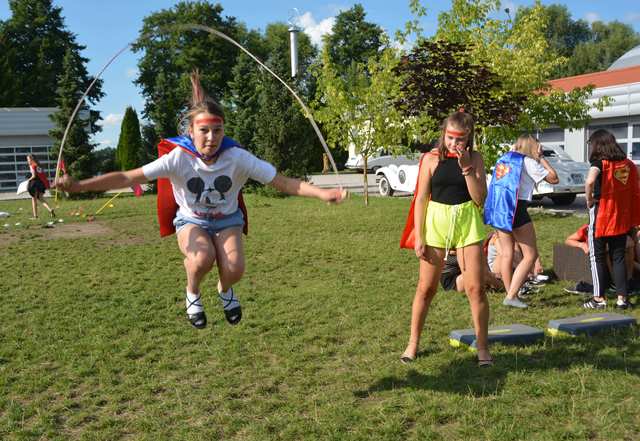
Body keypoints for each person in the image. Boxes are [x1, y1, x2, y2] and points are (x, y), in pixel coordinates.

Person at [56, 71, 347, 329]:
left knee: (235, 269)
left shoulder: (237, 157)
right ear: (191, 131)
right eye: (204, 130)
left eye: (217, 130)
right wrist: (80, 186)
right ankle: (192, 292)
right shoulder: (178, 158)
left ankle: (225, 290)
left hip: (228, 220)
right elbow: (126, 177)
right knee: (201, 258)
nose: (211, 137)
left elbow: (282, 182)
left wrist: (322, 193)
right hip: (191, 220)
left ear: (224, 130)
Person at [399, 110, 492, 366]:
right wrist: (419, 236)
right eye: (450, 137)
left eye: (460, 139)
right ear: (444, 134)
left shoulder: (475, 159)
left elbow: (479, 199)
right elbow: (420, 198)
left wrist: (466, 168)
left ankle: (482, 348)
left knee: (476, 289)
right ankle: (413, 343)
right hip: (436, 224)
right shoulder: (430, 159)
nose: (454, 143)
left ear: (469, 137)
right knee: (426, 288)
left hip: (467, 223)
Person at [484, 135, 558, 308]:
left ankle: (510, 293)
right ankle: (511, 295)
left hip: (500, 209)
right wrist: (541, 158)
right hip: (517, 209)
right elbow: (554, 178)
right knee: (530, 255)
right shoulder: (528, 162)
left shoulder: (503, 159)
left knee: (507, 254)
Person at [583, 129, 640, 310]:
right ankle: (622, 299)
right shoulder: (628, 164)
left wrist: (589, 199)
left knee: (597, 256)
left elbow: (590, 181)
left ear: (597, 145)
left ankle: (598, 299)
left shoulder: (599, 163)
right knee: (618, 257)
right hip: (621, 217)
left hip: (602, 215)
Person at [26, 154, 55, 219]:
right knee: (41, 198)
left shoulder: (32, 165)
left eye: (28, 159)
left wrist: (27, 180)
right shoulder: (38, 165)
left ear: (32, 159)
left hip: (35, 184)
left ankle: (35, 216)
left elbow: (33, 176)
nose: (27, 161)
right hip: (41, 184)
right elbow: (43, 175)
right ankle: (50, 209)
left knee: (34, 200)